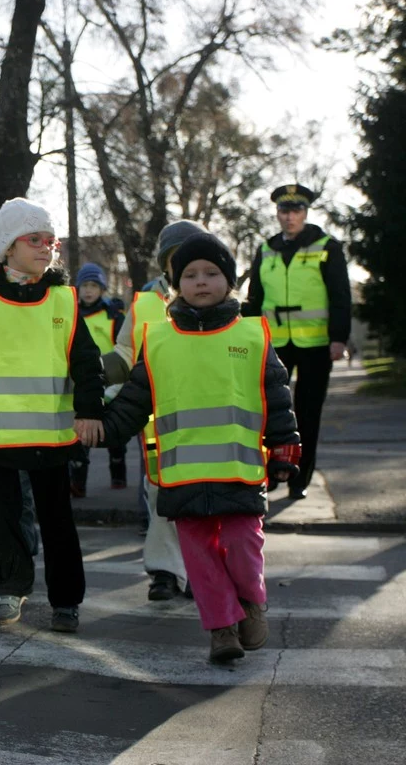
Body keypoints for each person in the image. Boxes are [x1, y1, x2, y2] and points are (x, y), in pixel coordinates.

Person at [102, 233, 300, 663]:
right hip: (183, 476)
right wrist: (103, 430)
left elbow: (277, 398)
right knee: (199, 558)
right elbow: (134, 401)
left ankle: (251, 603)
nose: (201, 281)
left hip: (239, 471)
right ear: (175, 284)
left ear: (229, 281)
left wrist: (285, 448)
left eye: (212, 273)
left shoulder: (252, 336)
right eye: (190, 275)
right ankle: (222, 629)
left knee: (244, 547)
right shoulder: (158, 341)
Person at [0, 197, 106, 633]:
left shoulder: (64, 301)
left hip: (52, 438)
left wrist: (90, 412)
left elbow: (87, 363)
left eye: (50, 241)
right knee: (4, 517)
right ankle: (9, 589)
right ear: (7, 247)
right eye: (34, 239)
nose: (45, 247)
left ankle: (66, 602)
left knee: (58, 523)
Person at [102, 221, 206, 601]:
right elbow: (126, 354)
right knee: (159, 492)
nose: (187, 266)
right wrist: (95, 374)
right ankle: (164, 572)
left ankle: (201, 569)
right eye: (178, 258)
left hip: (211, 418)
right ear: (166, 262)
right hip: (158, 420)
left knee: (204, 496)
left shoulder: (221, 299)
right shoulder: (146, 304)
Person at [242, 184, 351, 500]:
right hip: (274, 343)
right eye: (283, 211)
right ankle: (271, 473)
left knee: (308, 412)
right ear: (277, 214)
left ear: (305, 213)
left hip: (317, 344)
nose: (289, 217)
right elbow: (255, 298)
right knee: (268, 410)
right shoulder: (266, 249)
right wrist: (248, 335)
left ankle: (299, 479)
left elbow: (340, 296)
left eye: (295, 211)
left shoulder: (326, 247)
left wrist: (339, 338)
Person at [70, 262, 128, 495]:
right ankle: (77, 484)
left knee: (115, 436)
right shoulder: (71, 313)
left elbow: (124, 347)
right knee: (81, 437)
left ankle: (118, 477)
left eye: (94, 285)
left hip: (111, 382)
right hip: (82, 382)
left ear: (102, 289)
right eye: (84, 285)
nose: (88, 290)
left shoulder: (113, 316)